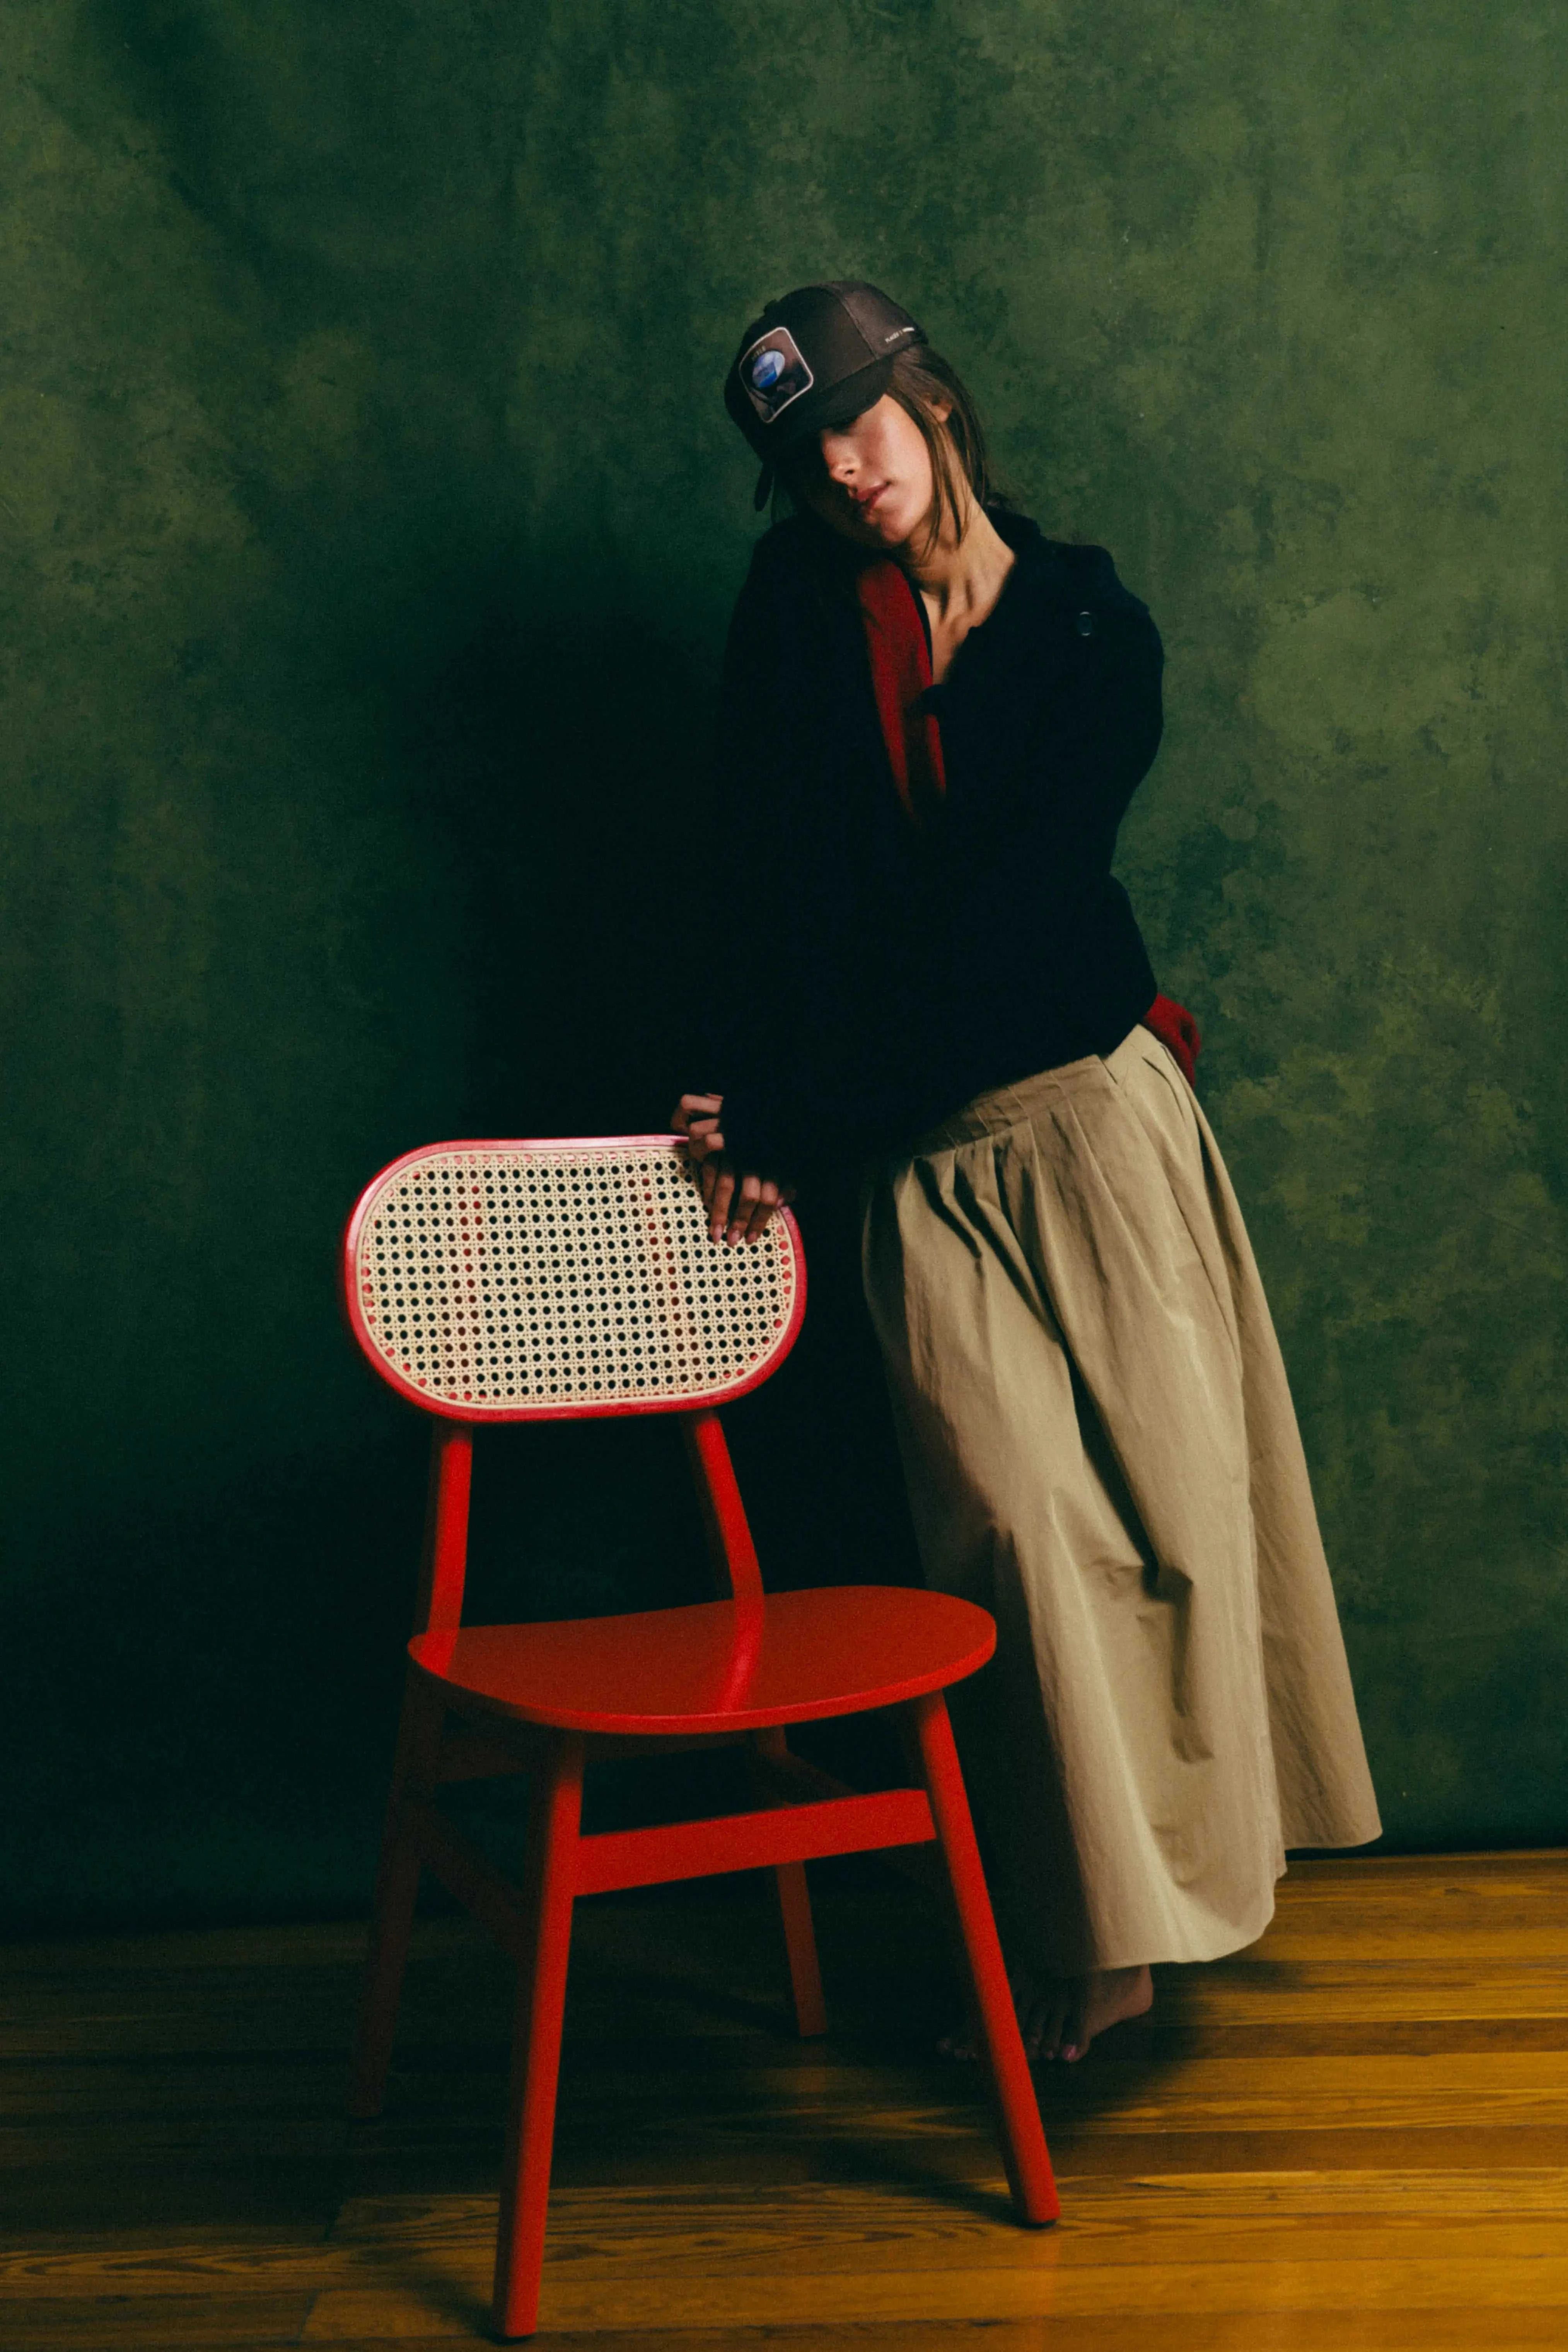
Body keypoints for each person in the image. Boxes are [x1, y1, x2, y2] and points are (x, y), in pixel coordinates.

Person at [672, 281, 1380, 2064]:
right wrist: (744, 1090)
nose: (846, 471)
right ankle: (1092, 1931)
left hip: (1084, 1118)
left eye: (861, 424)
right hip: (920, 1159)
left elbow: (1012, 933)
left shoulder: (1085, 628)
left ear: (931, 400)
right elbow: (757, 879)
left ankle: (1183, 1896)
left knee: (1175, 1525)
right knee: (1012, 1530)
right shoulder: (796, 614)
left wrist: (799, 1111)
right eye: (807, 458)